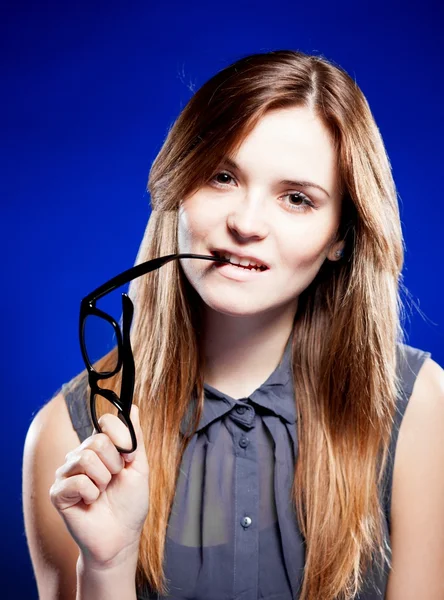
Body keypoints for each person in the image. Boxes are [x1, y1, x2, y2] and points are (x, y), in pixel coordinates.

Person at [22, 50, 444, 600]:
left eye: (296, 199)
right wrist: (108, 566)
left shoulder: (420, 408)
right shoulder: (68, 435)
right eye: (222, 177)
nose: (245, 224)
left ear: (342, 235)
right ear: (179, 188)